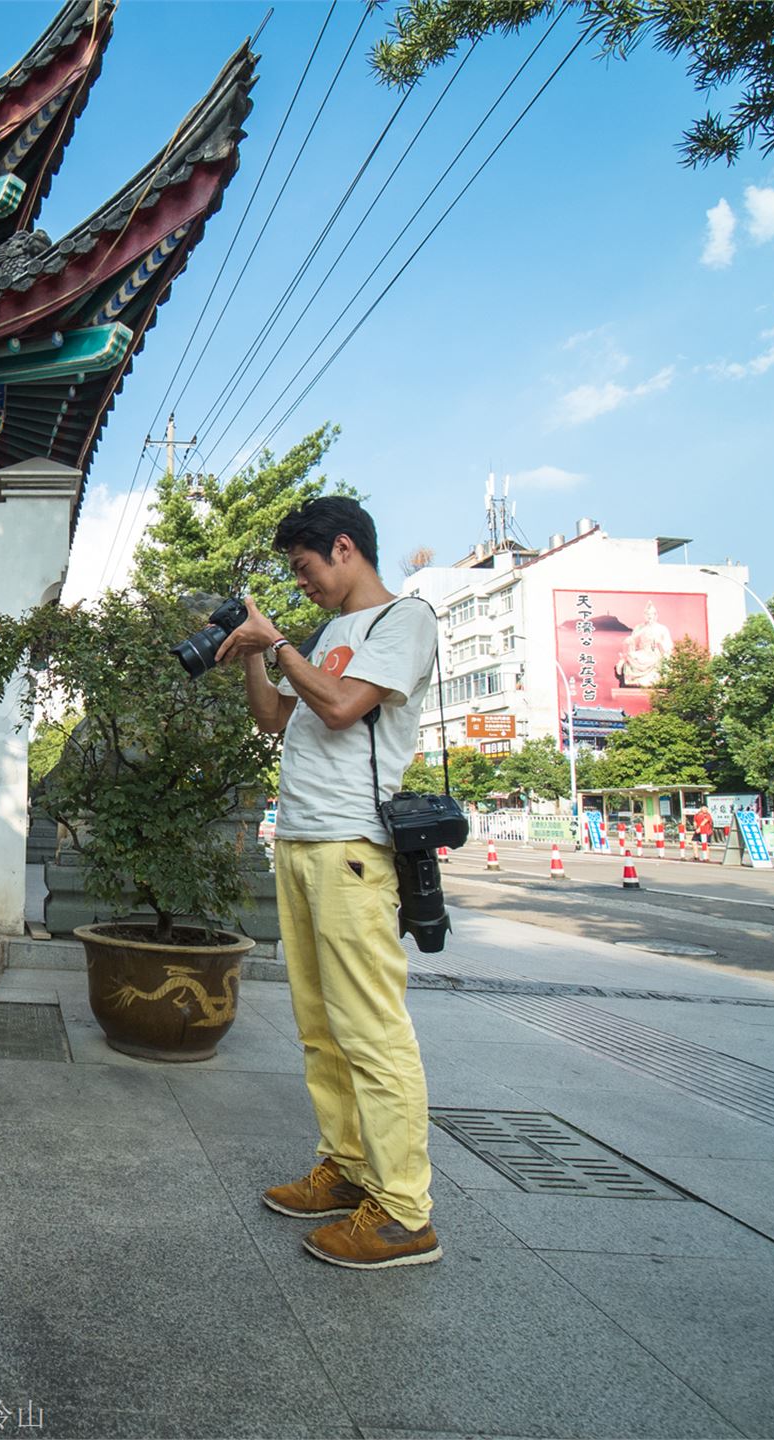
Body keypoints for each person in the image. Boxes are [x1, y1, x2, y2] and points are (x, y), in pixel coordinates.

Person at [213, 495, 443, 1269]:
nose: (301, 584)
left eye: (305, 568)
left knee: (371, 1030)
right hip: (304, 841)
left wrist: (278, 640)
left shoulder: (403, 621)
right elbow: (276, 721)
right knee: (321, 1027)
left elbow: (342, 707)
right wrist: (254, 649)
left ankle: (405, 1211)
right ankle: (347, 1171)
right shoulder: (331, 634)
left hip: (352, 847)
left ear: (345, 548)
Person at [615, 600, 673, 688]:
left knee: (662, 661)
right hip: (642, 652)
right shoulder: (639, 627)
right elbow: (633, 642)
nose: (649, 617)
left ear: (655, 615)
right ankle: (632, 679)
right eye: (647, 615)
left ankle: (651, 680)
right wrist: (630, 641)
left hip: (656, 654)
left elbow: (668, 646)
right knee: (630, 657)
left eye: (651, 614)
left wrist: (659, 643)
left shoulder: (662, 629)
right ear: (644, 615)